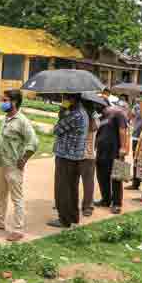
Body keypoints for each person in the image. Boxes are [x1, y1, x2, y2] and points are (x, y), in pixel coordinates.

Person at [0, 90, 38, 241]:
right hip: (0, 163)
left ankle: (18, 229)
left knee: (16, 197)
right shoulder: (6, 118)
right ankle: (0, 222)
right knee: (1, 195)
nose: (3, 102)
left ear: (14, 102)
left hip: (13, 165)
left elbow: (33, 142)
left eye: (5, 100)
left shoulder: (22, 121)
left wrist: (24, 159)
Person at [49, 93, 88, 227]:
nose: (63, 101)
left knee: (63, 189)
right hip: (76, 157)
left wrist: (61, 114)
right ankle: (73, 216)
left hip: (66, 156)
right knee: (72, 188)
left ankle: (64, 219)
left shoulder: (74, 115)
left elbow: (57, 130)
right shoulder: (82, 112)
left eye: (65, 98)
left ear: (72, 99)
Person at [95, 100, 128, 214]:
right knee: (101, 176)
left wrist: (123, 147)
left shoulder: (118, 113)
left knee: (117, 177)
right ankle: (105, 199)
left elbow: (123, 131)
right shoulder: (101, 116)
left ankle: (117, 204)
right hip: (101, 150)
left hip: (115, 151)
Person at [79, 101, 98, 217]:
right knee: (72, 181)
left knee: (88, 182)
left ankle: (88, 206)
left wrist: (88, 116)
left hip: (88, 154)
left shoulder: (94, 116)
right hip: (76, 154)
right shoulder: (77, 114)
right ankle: (68, 202)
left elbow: (94, 127)